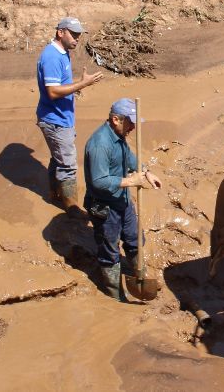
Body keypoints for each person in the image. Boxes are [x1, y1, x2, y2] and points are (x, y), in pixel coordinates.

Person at [83, 98, 162, 301]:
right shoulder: (100, 144)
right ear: (116, 119)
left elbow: (129, 159)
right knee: (110, 251)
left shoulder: (119, 136)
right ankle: (115, 294)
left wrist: (145, 172)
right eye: (131, 122)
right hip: (105, 207)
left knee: (135, 239)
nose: (134, 127)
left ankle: (140, 276)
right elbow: (99, 181)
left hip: (123, 202)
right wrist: (130, 181)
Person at [36, 16, 104, 214]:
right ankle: (72, 210)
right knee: (68, 165)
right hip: (55, 120)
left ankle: (54, 194)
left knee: (58, 158)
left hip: (59, 117)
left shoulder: (63, 52)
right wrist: (83, 83)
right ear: (60, 32)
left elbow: (60, 86)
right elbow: (53, 91)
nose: (76, 39)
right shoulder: (52, 56)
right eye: (73, 34)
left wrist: (75, 88)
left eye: (78, 35)